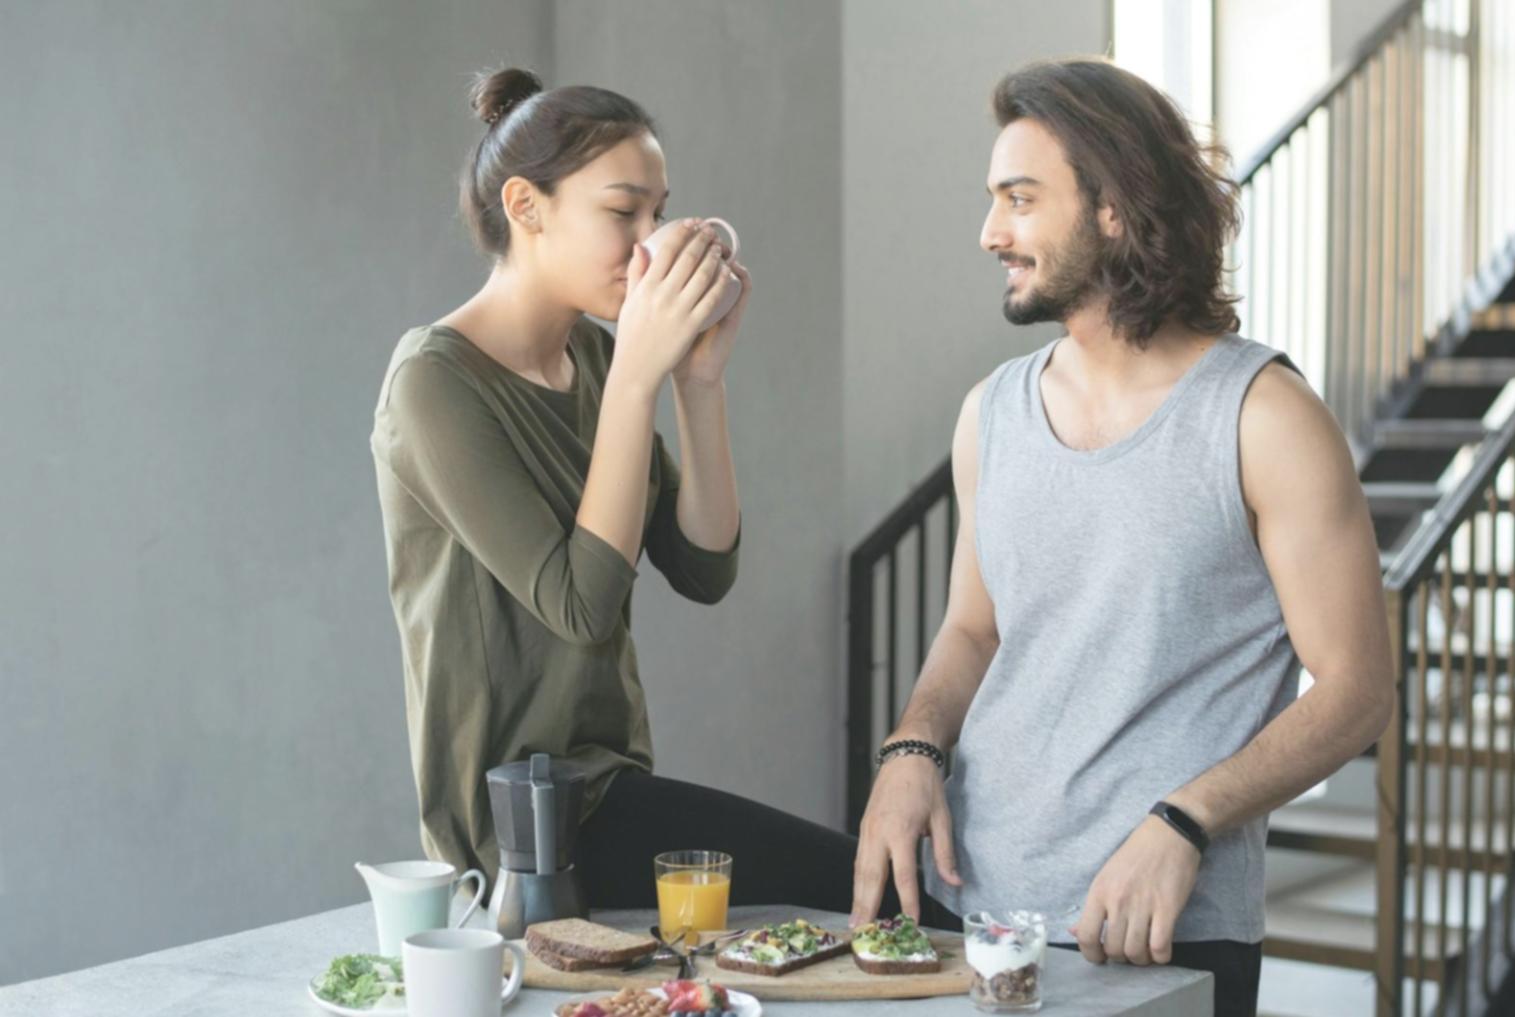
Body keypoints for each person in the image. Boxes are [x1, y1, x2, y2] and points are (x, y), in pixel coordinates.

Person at [850, 58, 1396, 1016]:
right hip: (966, 914)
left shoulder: (1263, 416)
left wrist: (1185, 820)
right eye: (993, 200)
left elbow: (1355, 689)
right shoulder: (991, 413)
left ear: (1113, 209)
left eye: (1020, 199)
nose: (990, 233)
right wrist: (911, 748)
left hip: (1163, 927)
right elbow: (972, 631)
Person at [369, 67, 894, 918]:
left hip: (610, 787)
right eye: (623, 213)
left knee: (864, 904)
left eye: (658, 211)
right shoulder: (434, 384)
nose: (650, 242)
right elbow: (580, 602)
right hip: (519, 826)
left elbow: (703, 566)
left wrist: (697, 384)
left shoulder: (600, 361)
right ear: (526, 206)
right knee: (869, 888)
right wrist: (639, 376)